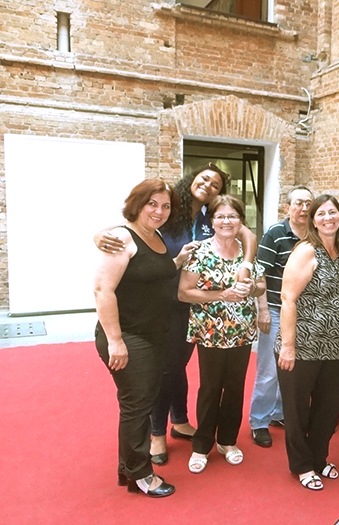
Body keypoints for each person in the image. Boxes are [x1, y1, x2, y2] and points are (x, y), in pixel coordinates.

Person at [95, 163, 257, 465]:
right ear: (192, 179)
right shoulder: (169, 213)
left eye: (216, 185)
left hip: (199, 311)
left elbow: (247, 235)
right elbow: (130, 229)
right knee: (166, 369)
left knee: (178, 367)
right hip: (167, 303)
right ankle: (157, 432)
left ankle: (179, 420)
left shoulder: (211, 217)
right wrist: (99, 235)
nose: (208, 186)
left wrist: (246, 265)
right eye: (205, 179)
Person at [94, 179, 189, 498]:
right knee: (137, 404)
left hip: (152, 334)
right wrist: (116, 340)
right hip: (127, 335)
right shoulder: (124, 237)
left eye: (165, 206)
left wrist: (179, 260)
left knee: (140, 401)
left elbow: (153, 272)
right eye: (152, 204)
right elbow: (102, 290)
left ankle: (129, 467)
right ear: (137, 203)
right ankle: (141, 475)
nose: (159, 211)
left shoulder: (156, 237)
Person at [177, 195, 266, 473]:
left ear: (241, 221)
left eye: (232, 216)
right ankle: (202, 444)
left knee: (235, 387)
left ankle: (227, 441)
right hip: (210, 332)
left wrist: (251, 289)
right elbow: (184, 293)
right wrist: (222, 295)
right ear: (212, 221)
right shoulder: (200, 251)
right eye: (220, 216)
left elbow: (261, 285)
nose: (226, 221)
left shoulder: (246, 252)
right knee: (210, 388)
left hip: (241, 332)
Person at [276, 195, 339, 491]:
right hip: (303, 346)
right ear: (313, 220)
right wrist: (288, 346)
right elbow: (288, 298)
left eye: (333, 212)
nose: (328, 218)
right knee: (297, 411)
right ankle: (302, 465)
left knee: (329, 409)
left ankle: (319, 458)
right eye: (321, 213)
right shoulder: (307, 250)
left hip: (335, 347)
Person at [249, 185, 314, 448]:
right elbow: (260, 273)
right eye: (298, 203)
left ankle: (278, 412)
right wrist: (263, 310)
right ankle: (258, 421)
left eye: (308, 203)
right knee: (268, 370)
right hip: (276, 309)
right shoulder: (276, 233)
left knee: (291, 368)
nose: (303, 208)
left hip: (303, 313)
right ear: (287, 207)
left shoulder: (315, 234)